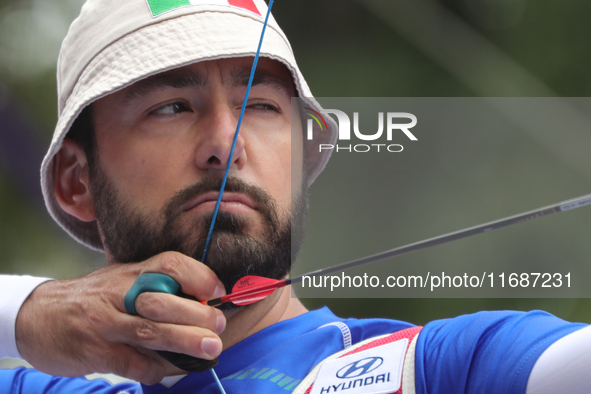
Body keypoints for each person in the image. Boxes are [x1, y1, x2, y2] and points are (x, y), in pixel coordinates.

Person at [1, 0, 591, 393]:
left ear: (303, 155)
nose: (224, 145)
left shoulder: (441, 370)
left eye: (259, 106)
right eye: (171, 107)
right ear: (77, 181)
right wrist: (29, 315)